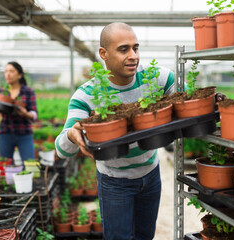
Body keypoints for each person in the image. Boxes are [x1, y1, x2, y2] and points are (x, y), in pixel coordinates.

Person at [55, 22, 175, 240]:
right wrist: (72, 135)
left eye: (135, 48)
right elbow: (62, 149)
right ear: (104, 53)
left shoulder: (157, 78)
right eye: (123, 49)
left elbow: (186, 99)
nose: (133, 56)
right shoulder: (87, 95)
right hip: (114, 181)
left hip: (151, 174)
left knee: (145, 236)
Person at [0, 61, 38, 162]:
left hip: (24, 132)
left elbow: (34, 114)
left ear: (20, 75)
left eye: (11, 71)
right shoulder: (1, 92)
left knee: (30, 164)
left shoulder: (28, 91)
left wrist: (25, 114)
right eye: (6, 71)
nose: (8, 74)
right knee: (5, 164)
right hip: (5, 132)